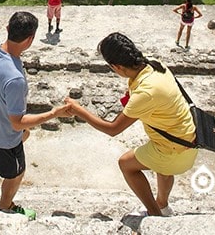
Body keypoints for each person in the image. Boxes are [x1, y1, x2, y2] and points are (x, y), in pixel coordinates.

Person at [65, 33, 197, 217]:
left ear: (116, 66)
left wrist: (79, 110)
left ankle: (155, 216)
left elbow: (113, 129)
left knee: (126, 164)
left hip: (173, 152)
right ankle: (162, 205)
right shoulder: (154, 64)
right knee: (162, 167)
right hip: (189, 140)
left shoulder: (146, 92)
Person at [0, 11, 71, 220]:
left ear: (7, 29)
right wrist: (54, 113)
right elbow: (16, 123)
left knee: (25, 135)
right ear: (30, 39)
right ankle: (6, 206)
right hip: (2, 135)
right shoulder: (15, 79)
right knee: (16, 173)